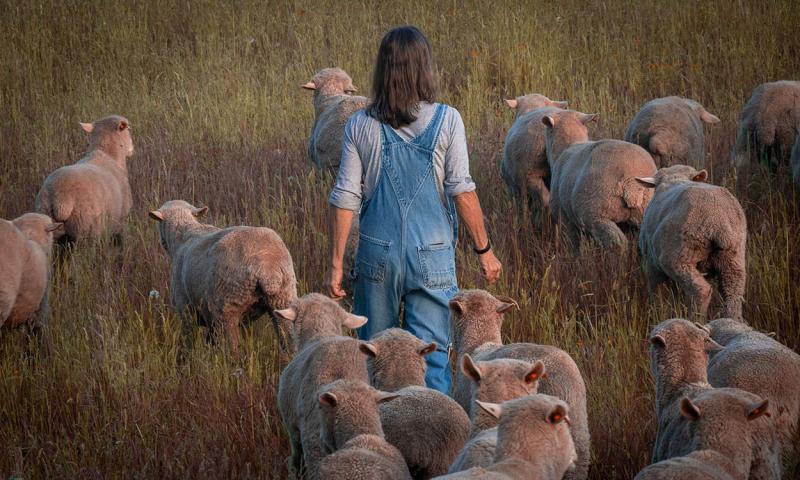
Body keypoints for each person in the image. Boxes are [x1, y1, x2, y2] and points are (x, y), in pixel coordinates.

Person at [326, 25, 501, 394]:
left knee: (376, 355)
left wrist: (337, 264)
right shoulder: (448, 120)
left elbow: (345, 197)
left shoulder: (359, 124)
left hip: (377, 254)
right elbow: (462, 190)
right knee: (433, 355)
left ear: (382, 70)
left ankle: (380, 444)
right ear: (424, 68)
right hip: (433, 256)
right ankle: (435, 437)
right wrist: (484, 250)